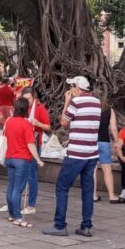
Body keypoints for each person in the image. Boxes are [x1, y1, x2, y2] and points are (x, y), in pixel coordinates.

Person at [44, 76, 102, 236]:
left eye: (72, 87)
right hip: (91, 153)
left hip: (76, 153)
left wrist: (67, 101)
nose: (69, 90)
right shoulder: (97, 103)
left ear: (77, 88)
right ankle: (86, 225)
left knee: (62, 187)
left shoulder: (76, 102)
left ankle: (59, 225)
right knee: (87, 190)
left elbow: (64, 122)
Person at [2, 97, 43, 227]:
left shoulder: (9, 122)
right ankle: (18, 217)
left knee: (11, 186)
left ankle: (12, 214)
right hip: (22, 159)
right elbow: (31, 144)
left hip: (10, 157)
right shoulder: (26, 124)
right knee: (18, 189)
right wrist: (38, 159)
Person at [19, 86, 50, 214]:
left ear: (34, 98)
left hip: (34, 141)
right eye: (24, 98)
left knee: (32, 175)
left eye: (29, 99)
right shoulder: (21, 107)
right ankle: (15, 201)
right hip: (22, 142)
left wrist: (37, 123)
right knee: (20, 173)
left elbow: (48, 126)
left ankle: (31, 205)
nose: (27, 101)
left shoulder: (39, 108)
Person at [95, 100, 122, 203]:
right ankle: (112, 196)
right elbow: (114, 128)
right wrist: (116, 142)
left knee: (93, 170)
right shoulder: (109, 111)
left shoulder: (91, 109)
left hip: (92, 142)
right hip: (105, 142)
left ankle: (93, 195)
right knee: (107, 170)